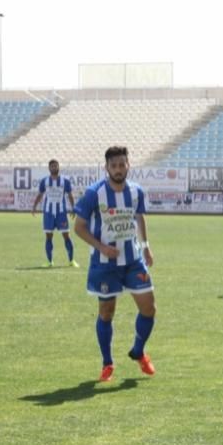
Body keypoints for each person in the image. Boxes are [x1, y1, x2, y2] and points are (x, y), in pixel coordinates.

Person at [73, 146, 156, 383]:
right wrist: (101, 247)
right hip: (105, 264)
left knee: (149, 308)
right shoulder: (93, 194)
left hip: (133, 260)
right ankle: (107, 363)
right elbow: (79, 227)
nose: (119, 169)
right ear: (106, 168)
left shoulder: (136, 191)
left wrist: (146, 245)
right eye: (114, 166)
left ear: (128, 165)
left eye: (122, 164)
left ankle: (138, 351)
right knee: (106, 313)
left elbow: (139, 216)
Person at [31, 159, 78, 267]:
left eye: (55, 166)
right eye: (52, 166)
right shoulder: (44, 181)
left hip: (61, 213)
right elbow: (40, 194)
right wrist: (34, 206)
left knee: (66, 236)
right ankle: (49, 261)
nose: (54, 167)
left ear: (58, 167)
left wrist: (73, 208)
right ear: (49, 168)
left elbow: (70, 195)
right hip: (48, 213)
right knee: (48, 237)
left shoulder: (65, 181)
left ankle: (71, 260)